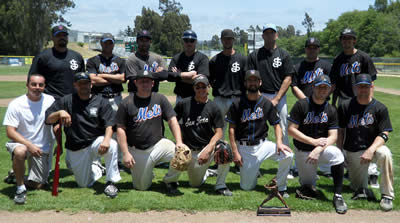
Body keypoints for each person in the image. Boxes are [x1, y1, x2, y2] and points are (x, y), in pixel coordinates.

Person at [45, 72, 121, 198]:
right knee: (84, 184)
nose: (84, 86)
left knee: (112, 145)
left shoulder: (101, 101)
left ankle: (110, 182)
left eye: (86, 83)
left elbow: (110, 124)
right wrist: (60, 112)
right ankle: (97, 168)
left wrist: (107, 140)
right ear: (75, 85)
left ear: (91, 85)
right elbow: (48, 119)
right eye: (80, 84)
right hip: (76, 145)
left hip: (96, 141)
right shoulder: (66, 100)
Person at [115, 70, 185, 195]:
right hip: (137, 150)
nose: (145, 84)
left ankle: (170, 181)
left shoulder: (160, 98)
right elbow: (120, 129)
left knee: (183, 154)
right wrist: (125, 153)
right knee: (141, 187)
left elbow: (172, 120)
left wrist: (179, 142)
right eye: (142, 81)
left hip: (159, 145)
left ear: (153, 83)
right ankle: (147, 172)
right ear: (136, 83)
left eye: (148, 81)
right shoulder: (127, 102)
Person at [226, 70, 293, 196]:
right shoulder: (237, 104)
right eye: (250, 80)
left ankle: (280, 186)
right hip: (245, 148)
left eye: (255, 80)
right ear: (245, 83)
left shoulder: (266, 103)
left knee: (288, 155)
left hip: (263, 145)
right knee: (247, 188)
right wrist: (235, 152)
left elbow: (276, 124)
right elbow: (231, 129)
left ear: (260, 82)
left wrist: (279, 142)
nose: (253, 83)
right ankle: (253, 172)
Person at [288, 75, 347, 214]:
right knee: (308, 187)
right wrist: (312, 142)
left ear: (329, 90)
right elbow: (291, 130)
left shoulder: (331, 109)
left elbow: (334, 136)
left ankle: (338, 195)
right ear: (313, 87)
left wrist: (318, 149)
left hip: (321, 149)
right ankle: (309, 182)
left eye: (325, 87)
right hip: (303, 151)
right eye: (319, 86)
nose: (322, 90)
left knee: (337, 154)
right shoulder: (302, 105)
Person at [330, 28, 379, 187]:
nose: (347, 41)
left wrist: (369, 101)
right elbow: (334, 83)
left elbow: (371, 81)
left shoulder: (363, 57)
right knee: (344, 136)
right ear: (341, 40)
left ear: (354, 40)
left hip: (362, 101)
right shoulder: (338, 59)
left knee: (367, 133)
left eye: (350, 38)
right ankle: (346, 166)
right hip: (344, 101)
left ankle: (372, 172)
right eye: (344, 38)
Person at [337, 74, 394, 212]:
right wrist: (340, 152)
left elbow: (384, 133)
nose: (363, 89)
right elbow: (340, 131)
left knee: (385, 153)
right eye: (360, 86)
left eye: (366, 86)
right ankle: (366, 180)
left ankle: (387, 195)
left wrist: (371, 149)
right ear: (355, 88)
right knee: (357, 188)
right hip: (353, 151)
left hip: (373, 149)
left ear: (371, 87)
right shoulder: (345, 106)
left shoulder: (380, 108)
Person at [174, 75, 232, 196]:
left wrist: (209, 147)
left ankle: (221, 185)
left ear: (208, 87)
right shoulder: (184, 104)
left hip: (206, 148)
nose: (201, 90)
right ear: (194, 88)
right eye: (198, 87)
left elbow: (219, 131)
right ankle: (205, 172)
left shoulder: (213, 107)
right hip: (189, 150)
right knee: (195, 184)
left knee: (224, 149)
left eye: (203, 87)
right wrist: (179, 141)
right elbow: (173, 121)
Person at [3, 74, 55, 204]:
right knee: (20, 151)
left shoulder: (50, 100)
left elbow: (55, 122)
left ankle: (15, 175)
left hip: (41, 147)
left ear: (44, 86)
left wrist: (58, 143)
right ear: (27, 85)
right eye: (33, 84)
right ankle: (20, 188)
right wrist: (29, 145)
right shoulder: (16, 104)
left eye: (40, 85)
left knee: (38, 184)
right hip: (21, 143)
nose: (37, 88)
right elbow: (10, 132)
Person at [246, 24, 295, 148]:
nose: (269, 35)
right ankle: (255, 159)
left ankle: (286, 163)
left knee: (283, 127)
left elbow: (288, 78)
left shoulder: (283, 54)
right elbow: (249, 78)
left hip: (279, 96)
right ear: (262, 36)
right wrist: (261, 97)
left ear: (276, 35)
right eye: (266, 33)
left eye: (272, 33)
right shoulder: (254, 55)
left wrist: (276, 99)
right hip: (259, 96)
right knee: (257, 127)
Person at [291, 37, 332, 177]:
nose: (312, 49)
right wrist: (306, 101)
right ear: (305, 49)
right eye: (309, 47)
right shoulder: (298, 67)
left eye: (315, 47)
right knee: (302, 134)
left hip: (322, 105)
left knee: (324, 133)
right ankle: (299, 166)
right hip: (305, 106)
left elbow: (332, 84)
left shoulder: (326, 66)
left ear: (318, 49)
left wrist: (322, 98)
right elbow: (294, 86)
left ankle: (326, 168)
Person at [125, 30, 198, 94]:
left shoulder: (157, 58)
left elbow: (165, 75)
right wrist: (156, 74)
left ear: (150, 42)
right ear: (137, 41)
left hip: (153, 95)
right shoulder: (132, 59)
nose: (144, 43)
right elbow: (133, 79)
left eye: (147, 40)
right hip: (135, 95)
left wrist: (142, 74)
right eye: (142, 40)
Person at [28, 25, 85, 100]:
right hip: (50, 101)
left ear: (67, 37)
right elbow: (32, 80)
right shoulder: (42, 57)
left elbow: (82, 80)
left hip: (73, 101)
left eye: (64, 35)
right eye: (58, 35)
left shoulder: (77, 56)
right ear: (52, 38)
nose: (62, 37)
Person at [209, 29, 246, 130]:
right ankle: (218, 146)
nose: (227, 41)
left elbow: (245, 79)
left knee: (238, 128)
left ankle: (238, 146)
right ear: (221, 40)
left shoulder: (242, 59)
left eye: (230, 39)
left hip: (237, 98)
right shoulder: (214, 60)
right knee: (218, 128)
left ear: (233, 40)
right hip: (219, 99)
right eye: (225, 39)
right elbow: (210, 79)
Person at [86, 33, 125, 111]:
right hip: (98, 97)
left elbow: (123, 79)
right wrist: (115, 79)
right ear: (101, 43)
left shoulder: (121, 61)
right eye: (105, 43)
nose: (108, 45)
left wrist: (102, 75)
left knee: (116, 122)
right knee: (96, 122)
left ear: (114, 44)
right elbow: (93, 80)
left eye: (110, 43)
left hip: (116, 97)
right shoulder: (92, 60)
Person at [169, 30, 210, 103]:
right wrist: (191, 77)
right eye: (186, 40)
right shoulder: (177, 58)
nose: (189, 43)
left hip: (198, 98)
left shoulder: (202, 58)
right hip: (180, 98)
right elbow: (169, 76)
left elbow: (202, 80)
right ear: (183, 41)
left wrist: (178, 76)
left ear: (196, 42)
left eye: (192, 40)